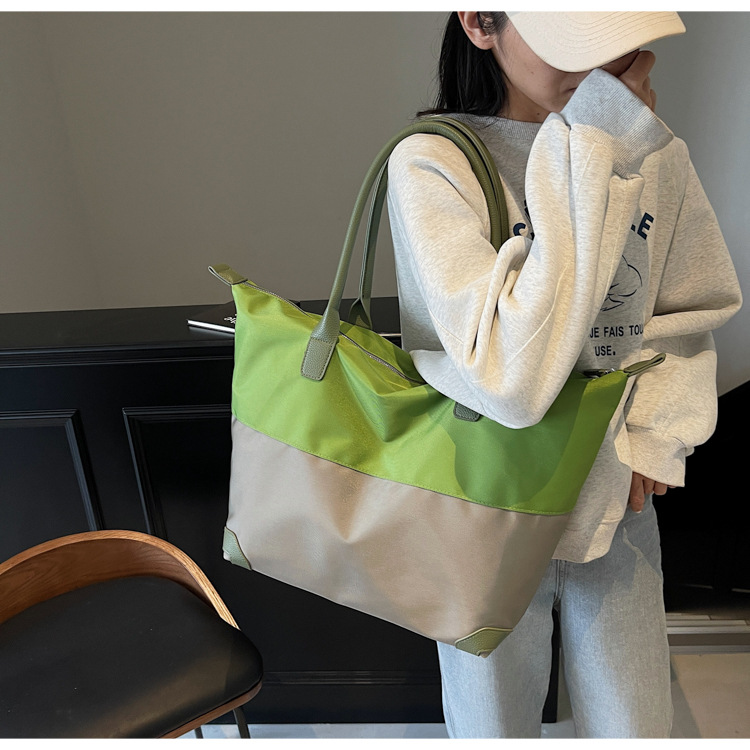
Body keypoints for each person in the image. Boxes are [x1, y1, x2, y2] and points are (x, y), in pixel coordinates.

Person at [386, 11, 742, 739]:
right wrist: (593, 141)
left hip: (616, 496)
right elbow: (510, 378)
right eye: (572, 38)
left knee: (634, 726)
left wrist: (655, 438)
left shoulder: (650, 152)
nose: (602, 61)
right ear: (480, 22)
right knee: (492, 728)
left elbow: (685, 306)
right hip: (483, 504)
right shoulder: (432, 165)